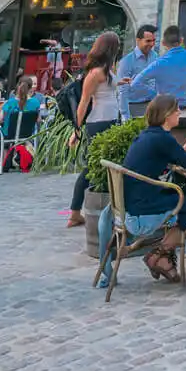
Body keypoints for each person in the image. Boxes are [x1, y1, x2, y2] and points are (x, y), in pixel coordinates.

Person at [96, 95, 186, 285]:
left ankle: (162, 257)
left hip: (133, 202)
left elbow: (180, 156)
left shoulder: (151, 135)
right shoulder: (162, 139)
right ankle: (159, 255)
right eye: (176, 110)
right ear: (166, 115)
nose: (179, 113)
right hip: (141, 210)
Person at [67, 32, 123, 227]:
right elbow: (83, 102)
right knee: (91, 167)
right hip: (98, 122)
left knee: (105, 164)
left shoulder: (107, 70)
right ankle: (75, 212)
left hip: (109, 119)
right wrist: (77, 130)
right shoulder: (95, 73)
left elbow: (108, 91)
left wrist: (122, 82)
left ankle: (102, 208)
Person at [116, 23, 158, 118]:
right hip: (133, 107)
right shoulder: (127, 61)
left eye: (153, 41)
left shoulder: (154, 56)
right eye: (148, 41)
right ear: (138, 41)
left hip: (152, 105)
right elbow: (122, 91)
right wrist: (125, 116)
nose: (152, 44)